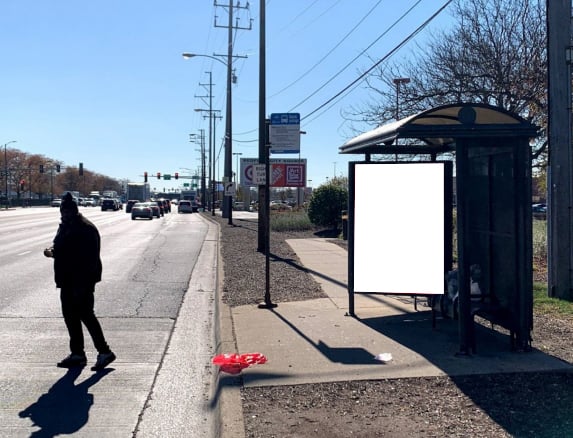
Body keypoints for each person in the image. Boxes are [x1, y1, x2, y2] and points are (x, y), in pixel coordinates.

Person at [44, 192, 116, 371]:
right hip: (67, 280)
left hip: (81, 280)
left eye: (68, 211)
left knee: (86, 315)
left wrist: (83, 284)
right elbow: (63, 248)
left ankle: (105, 352)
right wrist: (53, 250)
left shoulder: (84, 228)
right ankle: (77, 353)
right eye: (63, 211)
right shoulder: (66, 226)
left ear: (75, 211)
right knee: (71, 317)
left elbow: (87, 258)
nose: (65, 214)